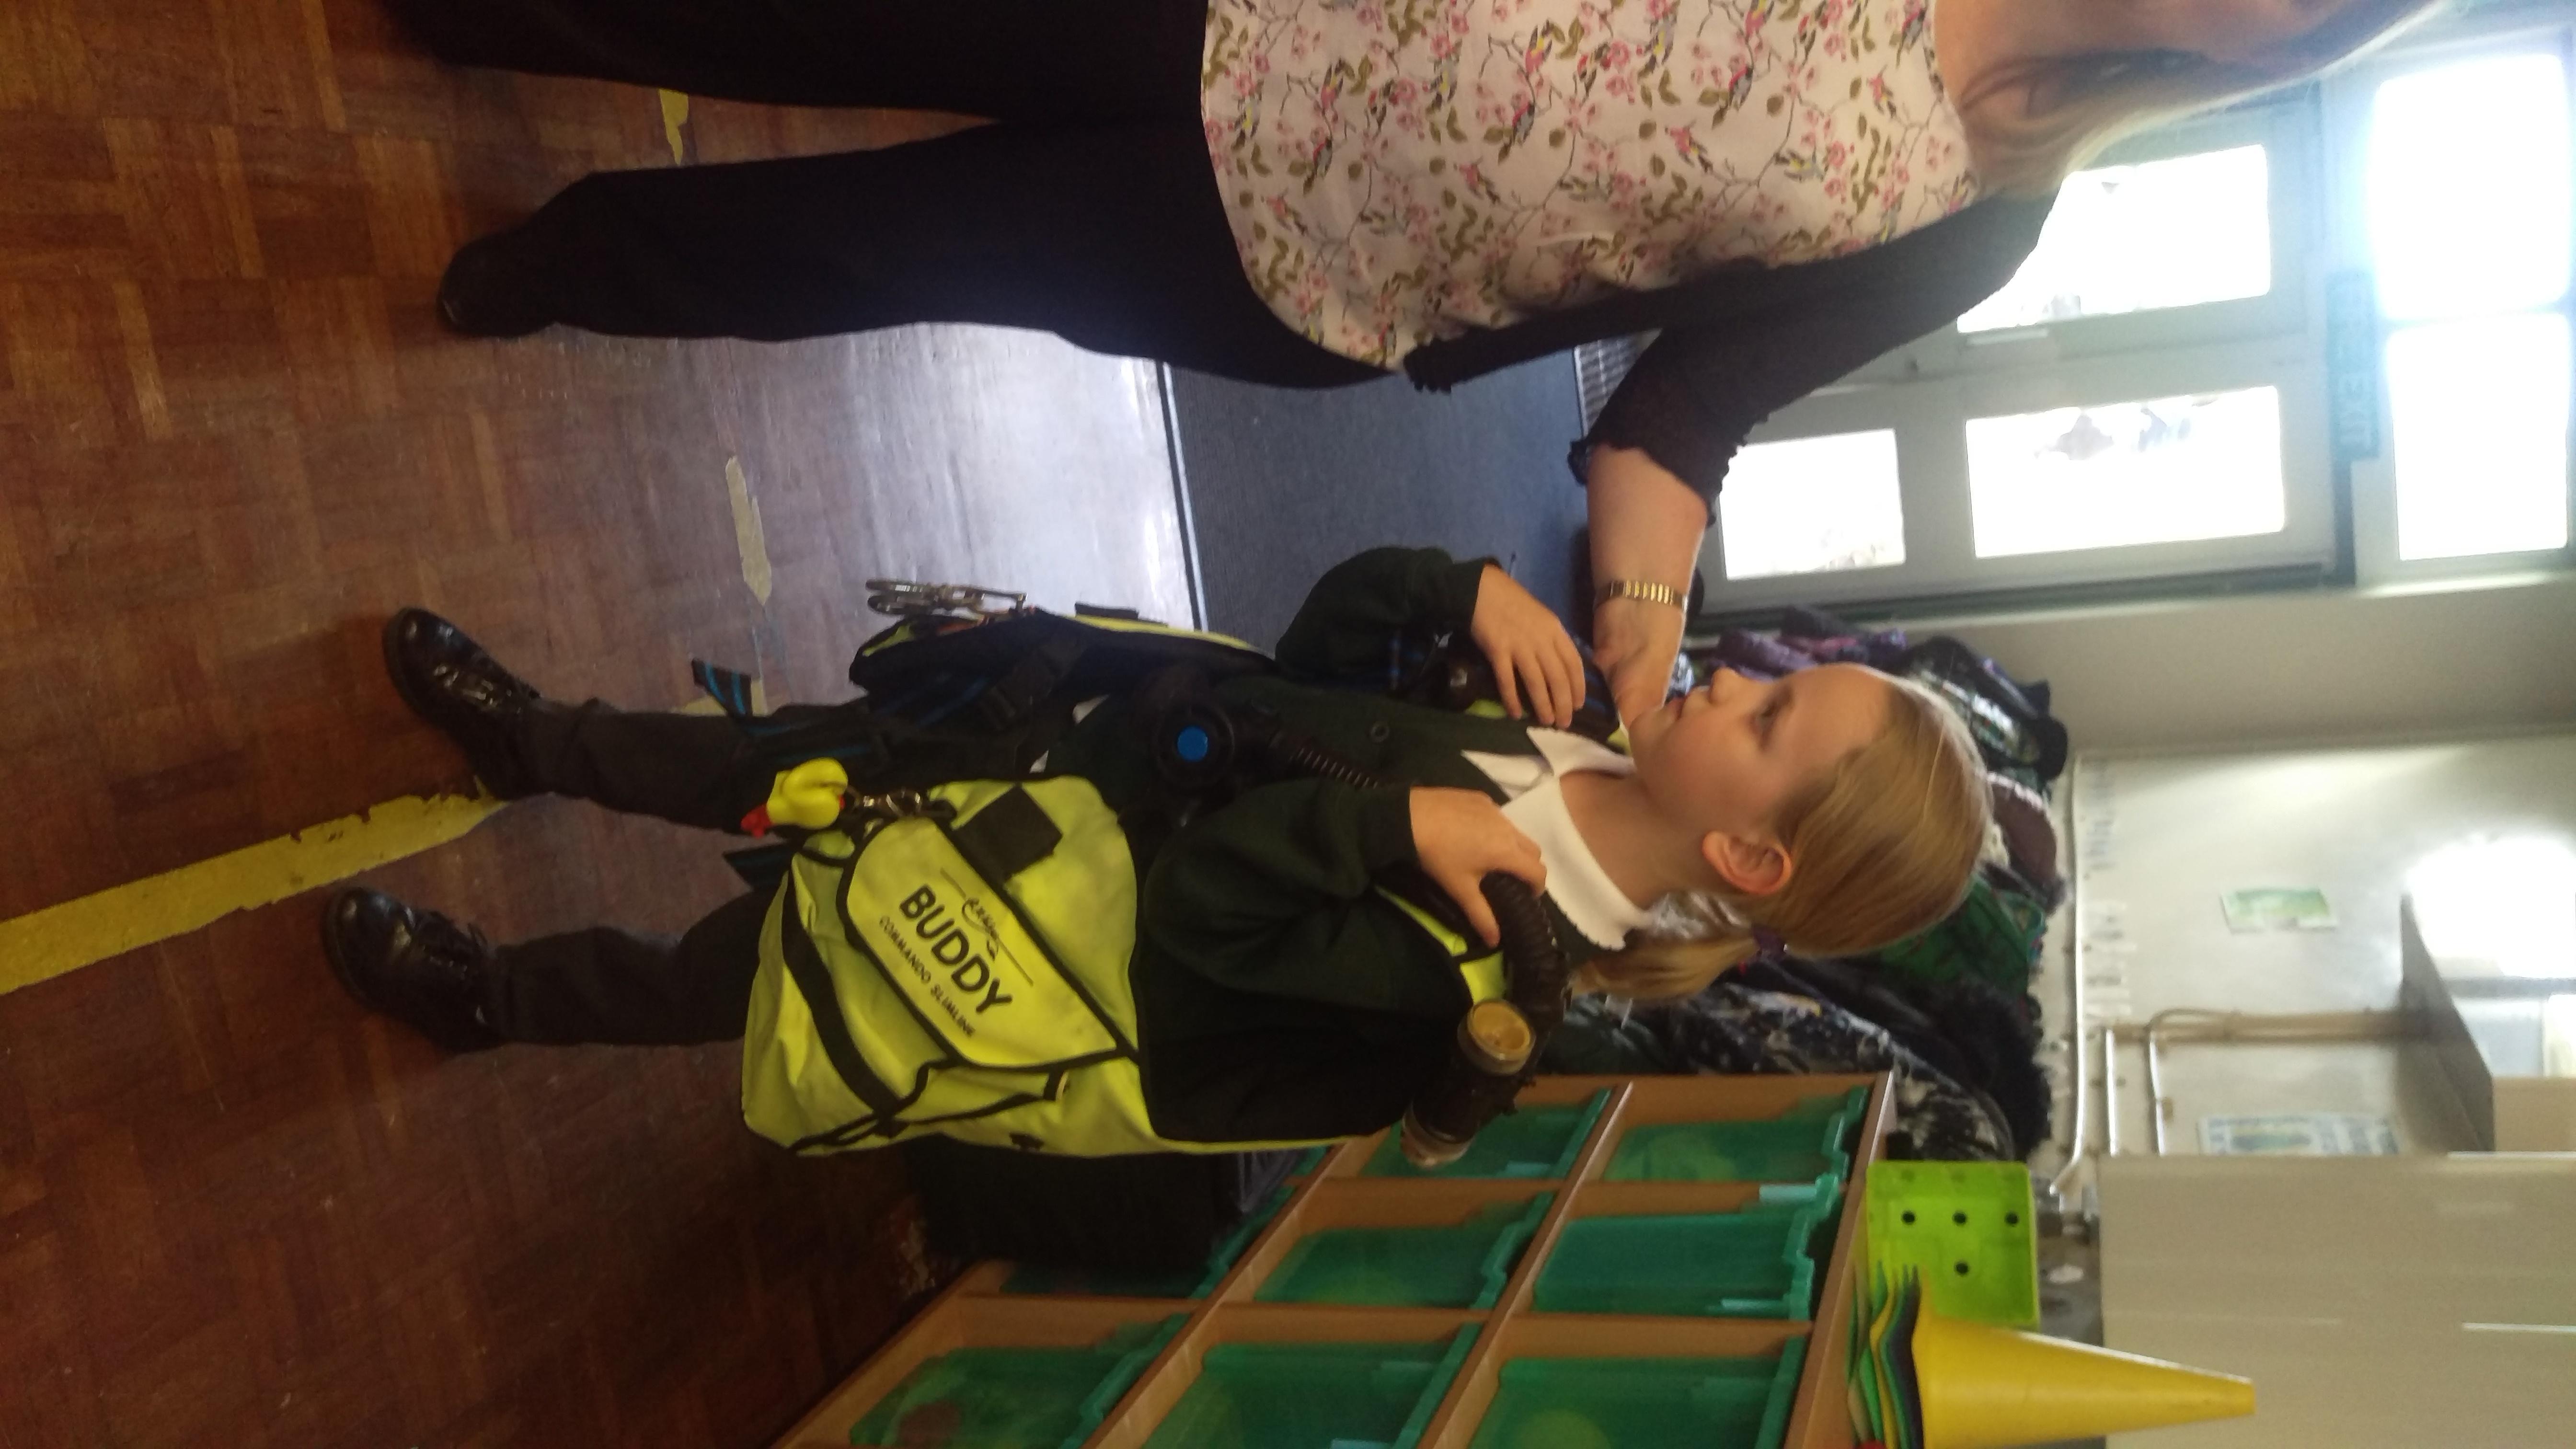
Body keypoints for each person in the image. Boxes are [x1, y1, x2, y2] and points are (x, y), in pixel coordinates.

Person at [384, 0, 2441, 720]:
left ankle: (571, 264)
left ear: (2282, 59)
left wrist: (1640, 633)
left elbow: (1683, 413)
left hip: (1296, 266)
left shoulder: (1989, 207)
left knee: (884, 248)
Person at [323, 547, 1989, 1154]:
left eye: (1772, 718)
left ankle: (490, 1001)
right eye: (1777, 673)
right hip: (1036, 764)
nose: (1736, 677)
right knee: (765, 766)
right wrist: (1448, 590)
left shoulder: (1494, 960)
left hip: (1013, 922)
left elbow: (1198, 920)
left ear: (1747, 859)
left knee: (726, 974)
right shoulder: (1552, 725)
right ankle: (535, 742)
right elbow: (1302, 671)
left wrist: (1385, 826)